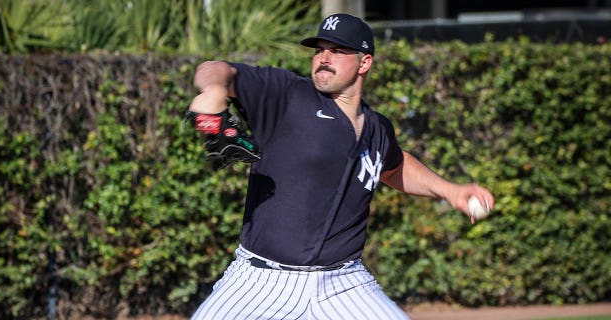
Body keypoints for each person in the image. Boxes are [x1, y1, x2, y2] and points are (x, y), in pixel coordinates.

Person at [187, 13, 495, 320]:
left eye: (337, 51)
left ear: (364, 63)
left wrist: (450, 190)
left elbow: (393, 166)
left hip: (343, 284)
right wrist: (213, 91)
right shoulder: (286, 95)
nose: (324, 58)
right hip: (261, 281)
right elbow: (214, 69)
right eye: (320, 49)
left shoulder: (376, 128)